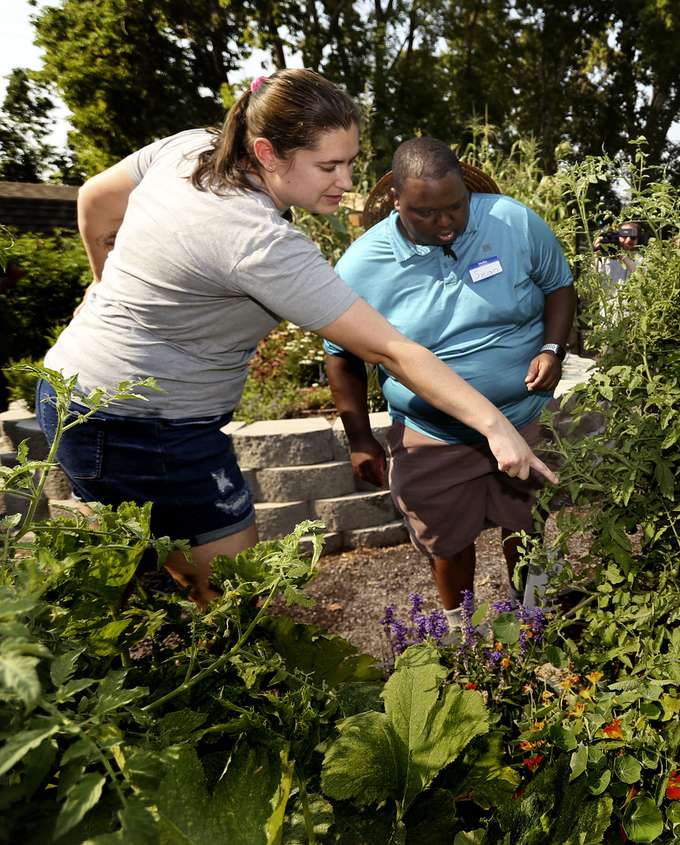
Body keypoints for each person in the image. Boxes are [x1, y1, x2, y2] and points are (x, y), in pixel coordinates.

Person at [38, 70, 555, 608]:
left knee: (140, 581)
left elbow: (95, 198)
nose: (349, 182)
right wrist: (495, 426)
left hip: (78, 393)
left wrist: (102, 285)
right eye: (329, 166)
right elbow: (388, 351)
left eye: (351, 161)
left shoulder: (192, 150)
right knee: (235, 602)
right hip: (140, 424)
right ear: (266, 152)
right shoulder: (257, 242)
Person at [323, 137, 576, 623]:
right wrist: (359, 438)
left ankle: (535, 622)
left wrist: (552, 348)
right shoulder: (361, 265)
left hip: (520, 415)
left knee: (526, 528)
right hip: (432, 435)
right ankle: (464, 638)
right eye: (425, 213)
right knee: (448, 542)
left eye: (455, 207)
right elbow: (342, 357)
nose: (445, 224)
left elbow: (558, 286)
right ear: (396, 201)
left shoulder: (512, 221)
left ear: (466, 190)